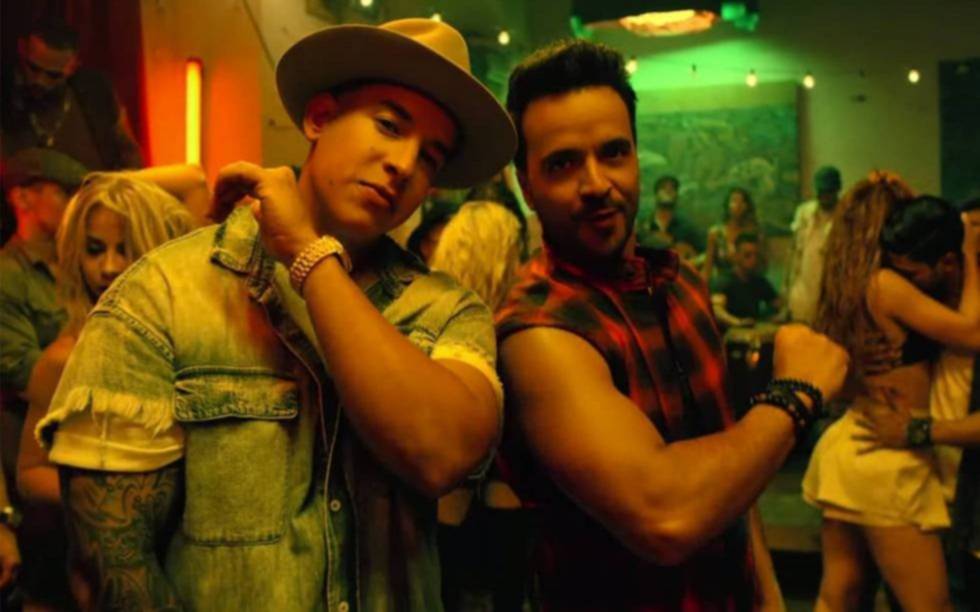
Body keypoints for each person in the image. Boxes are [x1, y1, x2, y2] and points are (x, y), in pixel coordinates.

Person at [36, 18, 516, 610]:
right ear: (319, 117)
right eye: (389, 125)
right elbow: (112, 567)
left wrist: (309, 257)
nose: (404, 163)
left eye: (431, 157)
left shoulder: (445, 308)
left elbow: (440, 455)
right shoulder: (164, 293)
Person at [496, 39, 848, 610]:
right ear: (526, 184)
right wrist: (796, 393)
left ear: (637, 156)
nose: (596, 183)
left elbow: (733, 463)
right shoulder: (539, 329)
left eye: (614, 152)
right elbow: (664, 515)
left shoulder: (680, 282)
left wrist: (769, 597)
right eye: (563, 163)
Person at [15, 173, 193, 610]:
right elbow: (29, 472)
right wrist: (107, 502)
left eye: (125, 248)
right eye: (95, 249)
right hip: (93, 573)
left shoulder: (187, 347)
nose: (109, 267)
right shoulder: (65, 359)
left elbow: (194, 182)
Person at [802, 181, 979, 612]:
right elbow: (973, 333)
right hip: (887, 459)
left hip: (853, 444)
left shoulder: (854, 287)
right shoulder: (886, 285)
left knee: (841, 593)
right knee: (930, 606)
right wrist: (968, 250)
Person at [427, 200, 526, 611]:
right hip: (506, 500)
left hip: (440, 508)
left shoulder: (430, 318)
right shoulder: (519, 330)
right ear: (502, 257)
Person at [0, 148, 87, 493]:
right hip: (40, 445)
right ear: (22, 198)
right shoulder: (8, 276)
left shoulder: (84, 265)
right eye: (63, 192)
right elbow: (22, 371)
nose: (75, 203)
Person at [1, 17, 143, 170]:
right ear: (22, 48)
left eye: (53, 75)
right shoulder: (5, 93)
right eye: (33, 68)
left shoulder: (96, 91)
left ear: (73, 66)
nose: (39, 81)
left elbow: (129, 156)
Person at [785, 165, 840, 324]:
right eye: (821, 191)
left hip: (832, 297)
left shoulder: (846, 214)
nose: (824, 195)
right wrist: (786, 292)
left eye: (828, 191)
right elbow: (794, 252)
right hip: (803, 296)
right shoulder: (804, 212)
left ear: (837, 190)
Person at [711, 232, 781, 328]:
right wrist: (738, 322)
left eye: (756, 255)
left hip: (751, 332)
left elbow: (777, 303)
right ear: (736, 256)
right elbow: (716, 310)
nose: (753, 260)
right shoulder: (724, 281)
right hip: (730, 334)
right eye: (747, 255)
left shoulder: (759, 281)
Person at [703, 186, 762, 281]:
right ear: (727, 205)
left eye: (742, 202)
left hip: (748, 283)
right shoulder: (717, 234)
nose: (738, 205)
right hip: (723, 284)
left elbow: (761, 266)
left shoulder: (753, 234)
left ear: (747, 206)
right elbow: (708, 268)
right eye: (734, 201)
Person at [638, 174, 704, 258]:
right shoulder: (643, 226)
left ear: (676, 195)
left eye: (672, 188)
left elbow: (704, 254)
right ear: (656, 194)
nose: (668, 191)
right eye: (663, 188)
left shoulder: (687, 227)